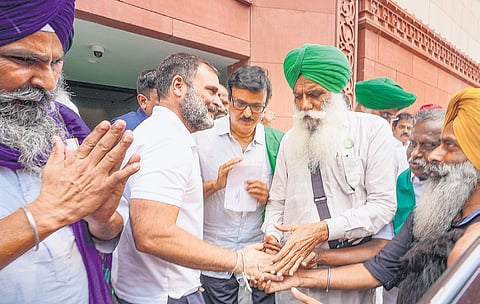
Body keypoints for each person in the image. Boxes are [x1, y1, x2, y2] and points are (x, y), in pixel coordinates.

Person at [260, 87, 480, 304]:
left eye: (449, 146)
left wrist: (320, 234)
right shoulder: (432, 212)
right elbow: (380, 268)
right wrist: (297, 278)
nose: (433, 155)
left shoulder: (472, 239)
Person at [0, 1, 141, 303]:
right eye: (24, 59)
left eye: (56, 63)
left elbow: (106, 229)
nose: (48, 82)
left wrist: (102, 220)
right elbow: (58, 208)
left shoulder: (64, 122)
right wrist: (44, 213)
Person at [112, 53, 273, 304]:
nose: (217, 102)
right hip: (165, 294)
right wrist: (239, 260)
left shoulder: (164, 133)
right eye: (210, 91)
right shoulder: (166, 140)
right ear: (178, 86)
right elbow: (153, 234)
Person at [261, 44, 397, 304]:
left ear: (339, 91)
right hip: (292, 271)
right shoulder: (290, 140)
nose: (304, 104)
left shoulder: (372, 131)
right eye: (297, 96)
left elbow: (383, 206)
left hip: (349, 275)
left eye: (314, 94)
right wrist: (272, 235)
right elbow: (277, 202)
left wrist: (323, 230)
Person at [194, 65, 283, 304]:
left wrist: (269, 197)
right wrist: (216, 184)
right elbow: (183, 198)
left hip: (260, 255)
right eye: (240, 104)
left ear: (265, 106)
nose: (247, 113)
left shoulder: (277, 144)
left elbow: (287, 201)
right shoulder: (201, 140)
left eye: (256, 107)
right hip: (215, 257)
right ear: (229, 99)